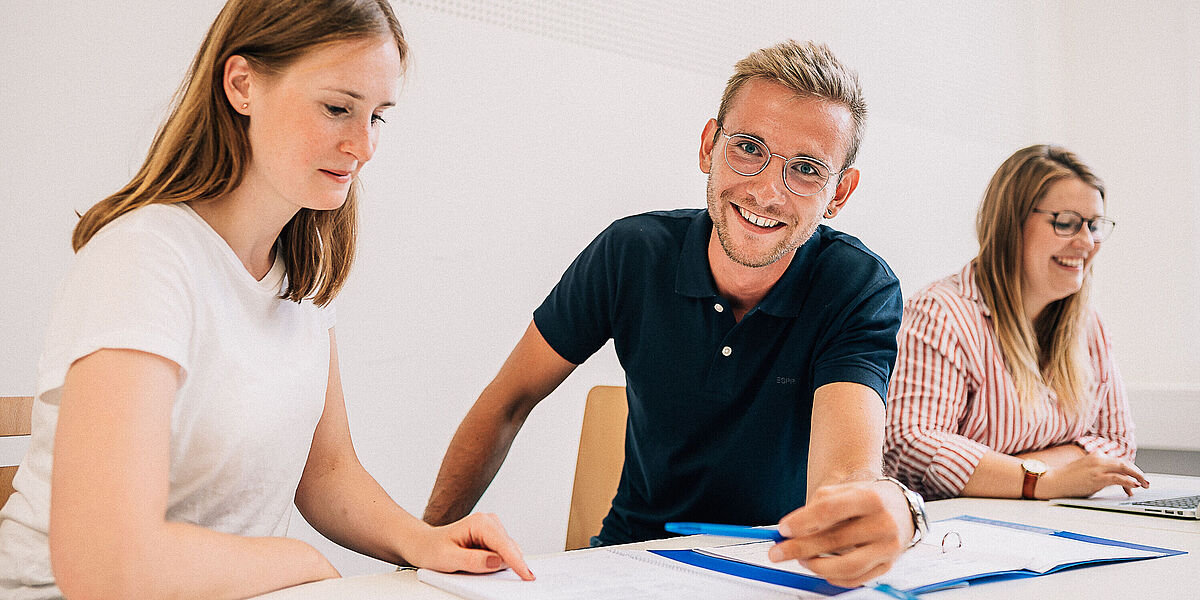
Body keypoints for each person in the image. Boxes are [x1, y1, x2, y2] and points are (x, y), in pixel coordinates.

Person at [0, 1, 533, 598]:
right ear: (242, 85)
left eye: (377, 116)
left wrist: (424, 541)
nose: (363, 145)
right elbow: (107, 566)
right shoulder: (144, 260)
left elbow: (326, 472)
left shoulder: (300, 276)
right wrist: (301, 562)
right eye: (337, 108)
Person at [424, 40, 926, 588]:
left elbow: (846, 478)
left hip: (776, 571)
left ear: (839, 193)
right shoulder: (630, 253)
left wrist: (892, 510)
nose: (767, 192)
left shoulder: (857, 287)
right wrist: (422, 555)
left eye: (806, 169)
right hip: (628, 561)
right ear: (709, 146)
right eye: (748, 148)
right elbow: (508, 401)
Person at [884, 144, 1149, 502]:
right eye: (1066, 222)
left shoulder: (1088, 324)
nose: (1086, 242)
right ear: (1011, 224)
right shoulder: (941, 313)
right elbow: (911, 443)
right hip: (957, 527)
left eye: (1095, 226)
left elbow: (1116, 443)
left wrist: (1027, 473)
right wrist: (1042, 481)